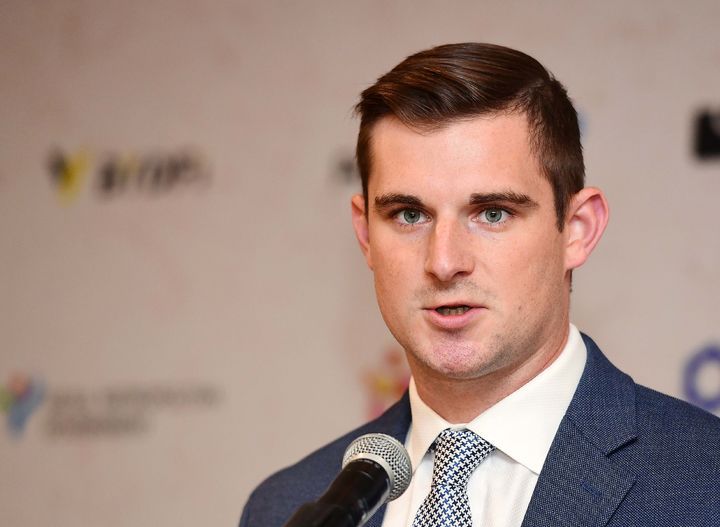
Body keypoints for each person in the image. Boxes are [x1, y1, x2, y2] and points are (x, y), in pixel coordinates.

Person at [240, 43, 720, 527]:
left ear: (577, 230)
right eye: (409, 215)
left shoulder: (706, 483)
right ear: (365, 234)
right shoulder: (285, 506)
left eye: (492, 213)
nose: (444, 262)